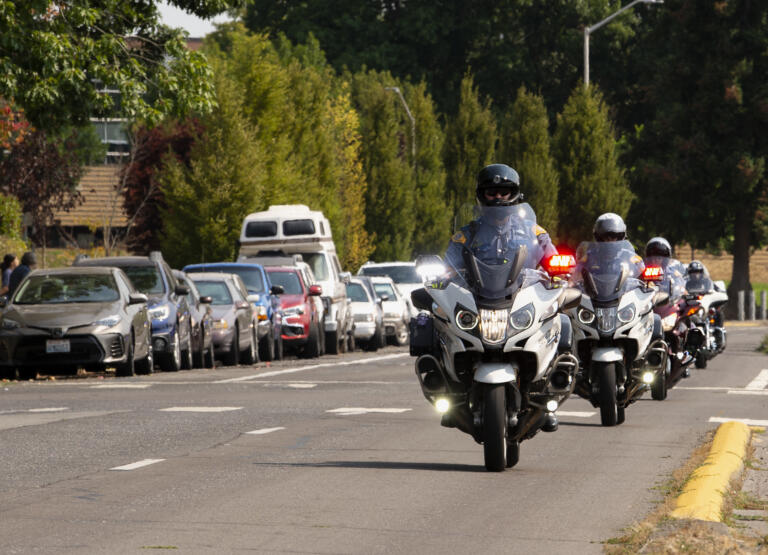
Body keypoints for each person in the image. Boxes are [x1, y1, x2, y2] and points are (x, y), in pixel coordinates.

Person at [444, 163, 558, 278]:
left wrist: (559, 272)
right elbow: (447, 270)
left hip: (524, 294)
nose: (498, 197)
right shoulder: (466, 236)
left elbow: (555, 265)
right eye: (491, 193)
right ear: (482, 195)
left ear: (513, 194)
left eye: (504, 192)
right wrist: (445, 275)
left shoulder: (533, 232)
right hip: (475, 295)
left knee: (567, 293)